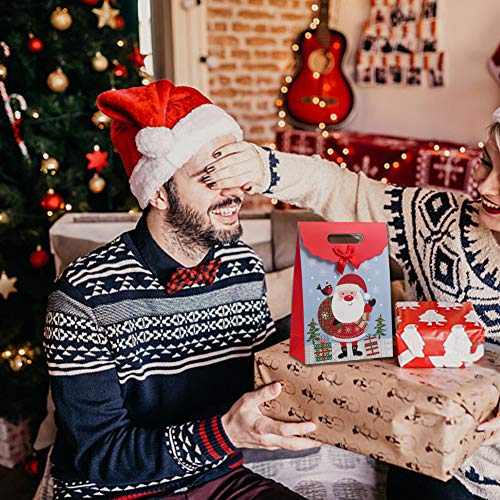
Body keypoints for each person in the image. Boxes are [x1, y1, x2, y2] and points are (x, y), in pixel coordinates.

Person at [43, 80, 321, 500]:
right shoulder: (81, 297)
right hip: (112, 492)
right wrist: (225, 431)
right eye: (212, 178)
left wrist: (330, 333)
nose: (235, 194)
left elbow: (260, 369)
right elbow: (100, 455)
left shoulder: (241, 266)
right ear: (159, 192)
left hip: (216, 481)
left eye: (235, 174)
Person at [205, 108, 500, 499]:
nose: (486, 186)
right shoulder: (439, 223)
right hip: (436, 466)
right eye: (486, 162)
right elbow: (339, 190)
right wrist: (261, 166)